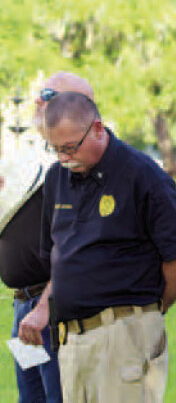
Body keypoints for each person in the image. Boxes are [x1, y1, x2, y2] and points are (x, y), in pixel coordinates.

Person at [37, 91, 176, 403]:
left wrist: (148, 311)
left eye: (70, 148)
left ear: (97, 128)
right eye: (56, 149)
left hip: (124, 333)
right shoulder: (56, 177)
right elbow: (56, 255)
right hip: (71, 337)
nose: (64, 158)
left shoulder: (144, 176)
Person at [1, 72, 94, 403]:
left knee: (59, 397)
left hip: (52, 312)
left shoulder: (80, 164)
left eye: (49, 93)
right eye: (39, 93)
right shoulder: (36, 160)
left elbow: (77, 249)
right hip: (24, 311)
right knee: (32, 399)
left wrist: (43, 308)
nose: (38, 99)